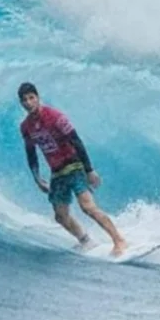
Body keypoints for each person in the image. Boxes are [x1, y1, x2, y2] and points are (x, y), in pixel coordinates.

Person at [17, 82, 127, 256]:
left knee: (88, 207)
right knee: (60, 216)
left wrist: (89, 170)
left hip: (74, 166)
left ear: (38, 98)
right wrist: (37, 178)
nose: (29, 102)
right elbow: (31, 154)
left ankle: (119, 241)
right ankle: (86, 241)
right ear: (21, 103)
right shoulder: (26, 127)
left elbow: (76, 141)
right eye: (24, 100)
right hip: (57, 173)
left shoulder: (54, 116)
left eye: (31, 98)